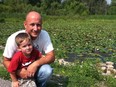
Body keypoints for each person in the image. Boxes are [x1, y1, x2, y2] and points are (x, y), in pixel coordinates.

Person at [3, 11, 55, 87]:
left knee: (47, 70)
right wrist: (18, 72)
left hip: (34, 69)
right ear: (25, 24)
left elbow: (51, 56)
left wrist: (35, 64)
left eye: (38, 25)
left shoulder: (44, 35)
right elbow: (5, 61)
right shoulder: (14, 38)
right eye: (32, 24)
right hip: (19, 70)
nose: (36, 28)